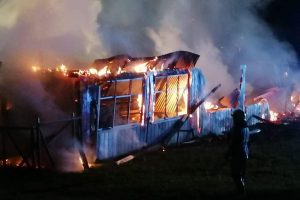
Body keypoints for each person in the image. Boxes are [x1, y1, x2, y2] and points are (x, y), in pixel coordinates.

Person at [225, 109, 250, 195]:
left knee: (236, 173)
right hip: (245, 153)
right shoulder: (246, 127)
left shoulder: (237, 129)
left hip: (238, 154)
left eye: (235, 117)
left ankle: (240, 191)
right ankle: (241, 190)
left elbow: (235, 143)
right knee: (241, 173)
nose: (233, 119)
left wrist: (228, 153)